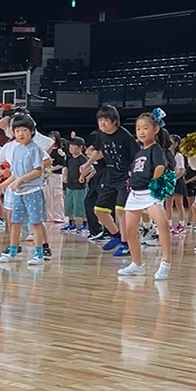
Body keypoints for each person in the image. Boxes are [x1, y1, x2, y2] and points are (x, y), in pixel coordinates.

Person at [116, 112, 173, 280]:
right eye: (138, 128)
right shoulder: (140, 151)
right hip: (135, 193)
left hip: (150, 192)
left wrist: (154, 181)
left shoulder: (156, 149)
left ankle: (166, 262)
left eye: (145, 128)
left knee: (162, 224)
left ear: (155, 129)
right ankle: (137, 264)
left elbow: (160, 166)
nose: (141, 132)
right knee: (130, 230)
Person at [80, 105, 139, 257]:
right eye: (100, 120)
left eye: (106, 120)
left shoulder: (124, 136)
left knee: (120, 211)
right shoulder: (101, 135)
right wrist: (87, 164)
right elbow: (99, 151)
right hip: (110, 177)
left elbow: (137, 156)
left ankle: (126, 244)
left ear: (114, 121)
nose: (102, 123)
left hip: (125, 178)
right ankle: (116, 235)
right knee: (99, 210)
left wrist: (133, 173)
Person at [0, 114, 48, 265]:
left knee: (35, 223)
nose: (20, 134)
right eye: (17, 130)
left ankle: (39, 254)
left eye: (24, 130)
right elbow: (15, 173)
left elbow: (38, 170)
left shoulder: (35, 149)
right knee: (15, 222)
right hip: (18, 193)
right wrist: (2, 185)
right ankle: (13, 251)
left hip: (32, 192)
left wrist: (20, 180)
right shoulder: (16, 149)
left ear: (31, 131)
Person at [63, 137, 88, 233]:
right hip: (70, 185)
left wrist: (82, 176)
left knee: (80, 205)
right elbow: (66, 168)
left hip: (80, 186)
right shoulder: (69, 158)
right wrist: (65, 176)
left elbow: (88, 169)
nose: (71, 148)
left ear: (80, 147)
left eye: (74, 146)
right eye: (70, 146)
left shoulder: (83, 159)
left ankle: (85, 224)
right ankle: (71, 223)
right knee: (69, 204)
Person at [44, 131, 67, 225]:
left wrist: (51, 169)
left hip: (56, 175)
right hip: (47, 175)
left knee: (57, 195)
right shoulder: (46, 150)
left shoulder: (59, 150)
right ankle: (48, 216)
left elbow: (61, 164)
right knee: (47, 196)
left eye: (53, 137)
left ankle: (59, 216)